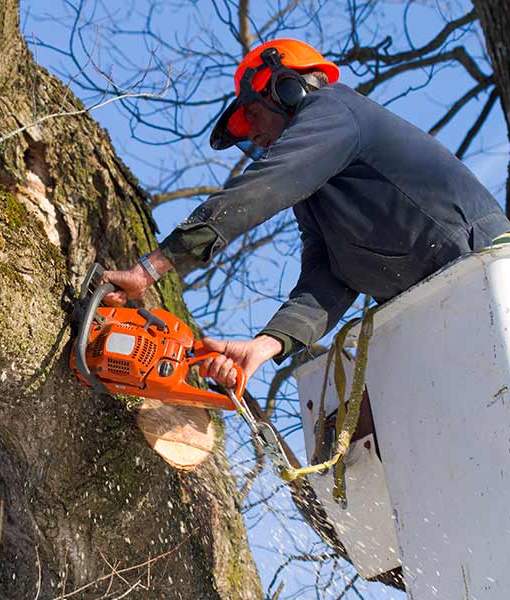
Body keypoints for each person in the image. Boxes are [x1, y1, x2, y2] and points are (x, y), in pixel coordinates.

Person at [102, 38, 510, 388]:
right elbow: (327, 278)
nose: (255, 136)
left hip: (483, 265)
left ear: (287, 88)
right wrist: (264, 346)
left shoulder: (336, 109)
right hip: (438, 304)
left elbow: (266, 185)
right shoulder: (317, 194)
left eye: (254, 116)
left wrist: (150, 268)